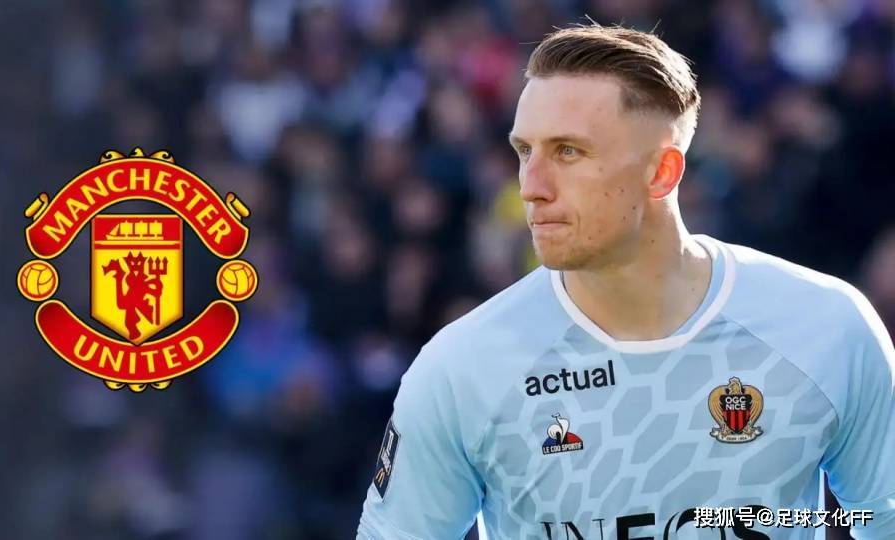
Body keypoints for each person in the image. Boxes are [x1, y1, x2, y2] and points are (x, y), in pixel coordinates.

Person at [356, 24, 895, 539]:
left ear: (662, 172)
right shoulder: (463, 366)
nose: (530, 186)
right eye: (524, 151)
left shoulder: (826, 327)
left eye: (568, 152)